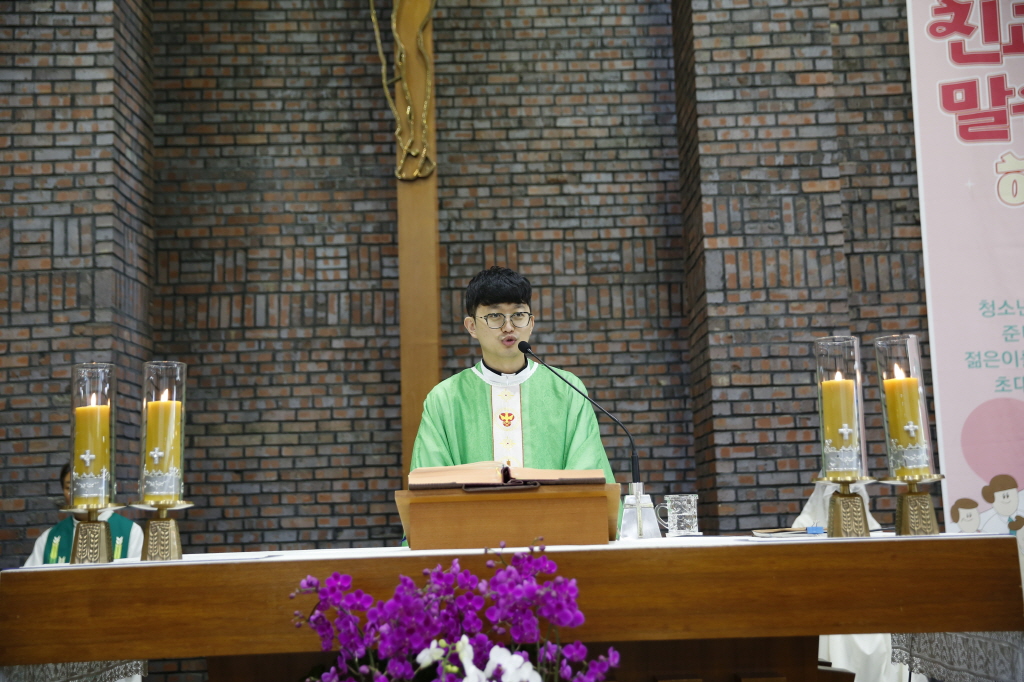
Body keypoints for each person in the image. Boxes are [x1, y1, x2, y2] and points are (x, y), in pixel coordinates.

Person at [410, 266, 615, 483]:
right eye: (495, 316)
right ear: (471, 327)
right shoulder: (445, 398)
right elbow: (430, 483)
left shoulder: (567, 389)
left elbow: (586, 472)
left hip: (552, 516)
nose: (508, 327)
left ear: (531, 323)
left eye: (518, 315)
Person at [24, 462, 144, 566]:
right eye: (70, 487)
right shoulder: (49, 538)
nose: (79, 494)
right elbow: (29, 581)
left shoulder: (131, 532)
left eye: (85, 486)